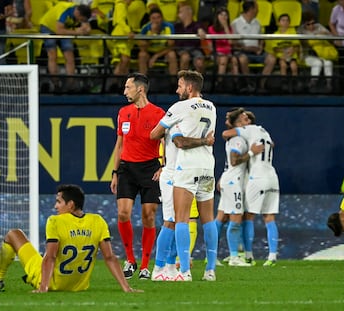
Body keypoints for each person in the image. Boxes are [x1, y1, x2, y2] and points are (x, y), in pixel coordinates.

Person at [0, 184, 141, 293]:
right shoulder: (97, 221)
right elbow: (110, 257)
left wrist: (43, 287)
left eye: (58, 202)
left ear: (70, 205)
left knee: (13, 234)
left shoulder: (55, 221)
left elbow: (50, 257)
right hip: (79, 287)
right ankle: (19, 280)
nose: (55, 206)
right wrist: (126, 287)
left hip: (50, 282)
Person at [150, 70, 218, 281]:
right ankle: (210, 271)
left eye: (179, 86)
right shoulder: (211, 107)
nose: (177, 90)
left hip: (185, 167)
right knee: (208, 220)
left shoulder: (179, 108)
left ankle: (183, 271)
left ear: (189, 88)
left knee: (179, 220)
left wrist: (164, 128)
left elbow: (154, 134)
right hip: (208, 166)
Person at [110, 72, 165, 280]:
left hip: (150, 168)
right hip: (127, 169)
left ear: (139, 89)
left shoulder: (159, 113)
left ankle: (144, 265)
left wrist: (163, 166)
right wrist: (115, 172)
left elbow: (165, 143)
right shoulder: (123, 112)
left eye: (127, 88)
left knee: (148, 216)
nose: (125, 92)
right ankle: (130, 260)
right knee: (123, 213)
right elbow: (120, 144)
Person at [222, 112, 280, 267]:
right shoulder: (264, 132)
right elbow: (272, 144)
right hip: (272, 176)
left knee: (248, 216)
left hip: (257, 177)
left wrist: (248, 146)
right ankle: (272, 256)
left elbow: (225, 133)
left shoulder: (249, 130)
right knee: (269, 217)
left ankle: (248, 256)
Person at [218, 108, 263, 267]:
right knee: (236, 218)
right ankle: (234, 257)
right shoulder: (239, 139)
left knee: (221, 218)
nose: (248, 122)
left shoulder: (240, 138)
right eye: (244, 120)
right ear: (237, 124)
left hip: (229, 179)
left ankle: (212, 256)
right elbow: (235, 160)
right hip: (234, 182)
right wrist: (252, 153)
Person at [39, 3, 92, 93]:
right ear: (78, 14)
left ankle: (70, 85)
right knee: (52, 55)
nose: (81, 21)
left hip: (65, 28)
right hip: (48, 27)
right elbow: (59, 30)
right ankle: (55, 85)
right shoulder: (64, 11)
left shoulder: (81, 12)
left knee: (69, 55)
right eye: (81, 19)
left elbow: (87, 28)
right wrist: (77, 32)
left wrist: (86, 29)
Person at [231, 1, 276, 93]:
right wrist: (245, 48)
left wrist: (260, 47)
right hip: (243, 51)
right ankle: (249, 84)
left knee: (271, 59)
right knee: (242, 60)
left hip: (257, 52)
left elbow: (261, 38)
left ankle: (261, 85)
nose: (258, 10)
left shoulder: (257, 22)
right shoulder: (235, 23)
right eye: (256, 8)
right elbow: (233, 42)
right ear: (251, 10)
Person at [138, 8, 178, 79]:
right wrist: (152, 35)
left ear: (162, 18)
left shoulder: (169, 26)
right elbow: (142, 48)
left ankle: (173, 83)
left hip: (164, 52)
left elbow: (171, 46)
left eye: (158, 18)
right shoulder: (145, 28)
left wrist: (156, 56)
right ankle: (142, 83)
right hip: (149, 52)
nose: (156, 21)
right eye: (153, 18)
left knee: (172, 54)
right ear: (150, 20)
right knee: (142, 55)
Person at [207, 7, 239, 91]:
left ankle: (236, 85)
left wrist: (225, 27)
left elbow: (231, 42)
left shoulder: (229, 28)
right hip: (216, 53)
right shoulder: (211, 28)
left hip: (228, 53)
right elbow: (210, 46)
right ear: (217, 16)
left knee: (234, 61)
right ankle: (219, 84)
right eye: (221, 14)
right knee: (223, 60)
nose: (223, 17)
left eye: (225, 15)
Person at [270, 14, 301, 93]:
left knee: (294, 66)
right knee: (283, 65)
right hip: (281, 56)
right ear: (279, 22)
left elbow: (296, 45)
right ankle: (284, 84)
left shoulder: (292, 32)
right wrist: (284, 52)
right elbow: (275, 48)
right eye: (283, 20)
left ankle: (295, 84)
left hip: (291, 55)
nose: (285, 22)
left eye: (287, 20)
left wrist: (292, 50)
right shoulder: (275, 34)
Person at [174, 4, 207, 73]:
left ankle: (199, 82)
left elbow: (200, 30)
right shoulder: (177, 26)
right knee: (185, 57)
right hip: (181, 49)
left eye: (180, 12)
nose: (178, 15)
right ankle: (183, 81)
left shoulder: (197, 24)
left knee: (199, 62)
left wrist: (200, 31)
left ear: (187, 13)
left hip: (195, 49)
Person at [329, 0, 344, 91]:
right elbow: (331, 23)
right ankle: (343, 88)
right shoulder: (336, 9)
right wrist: (337, 37)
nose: (341, 1)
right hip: (341, 43)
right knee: (343, 66)